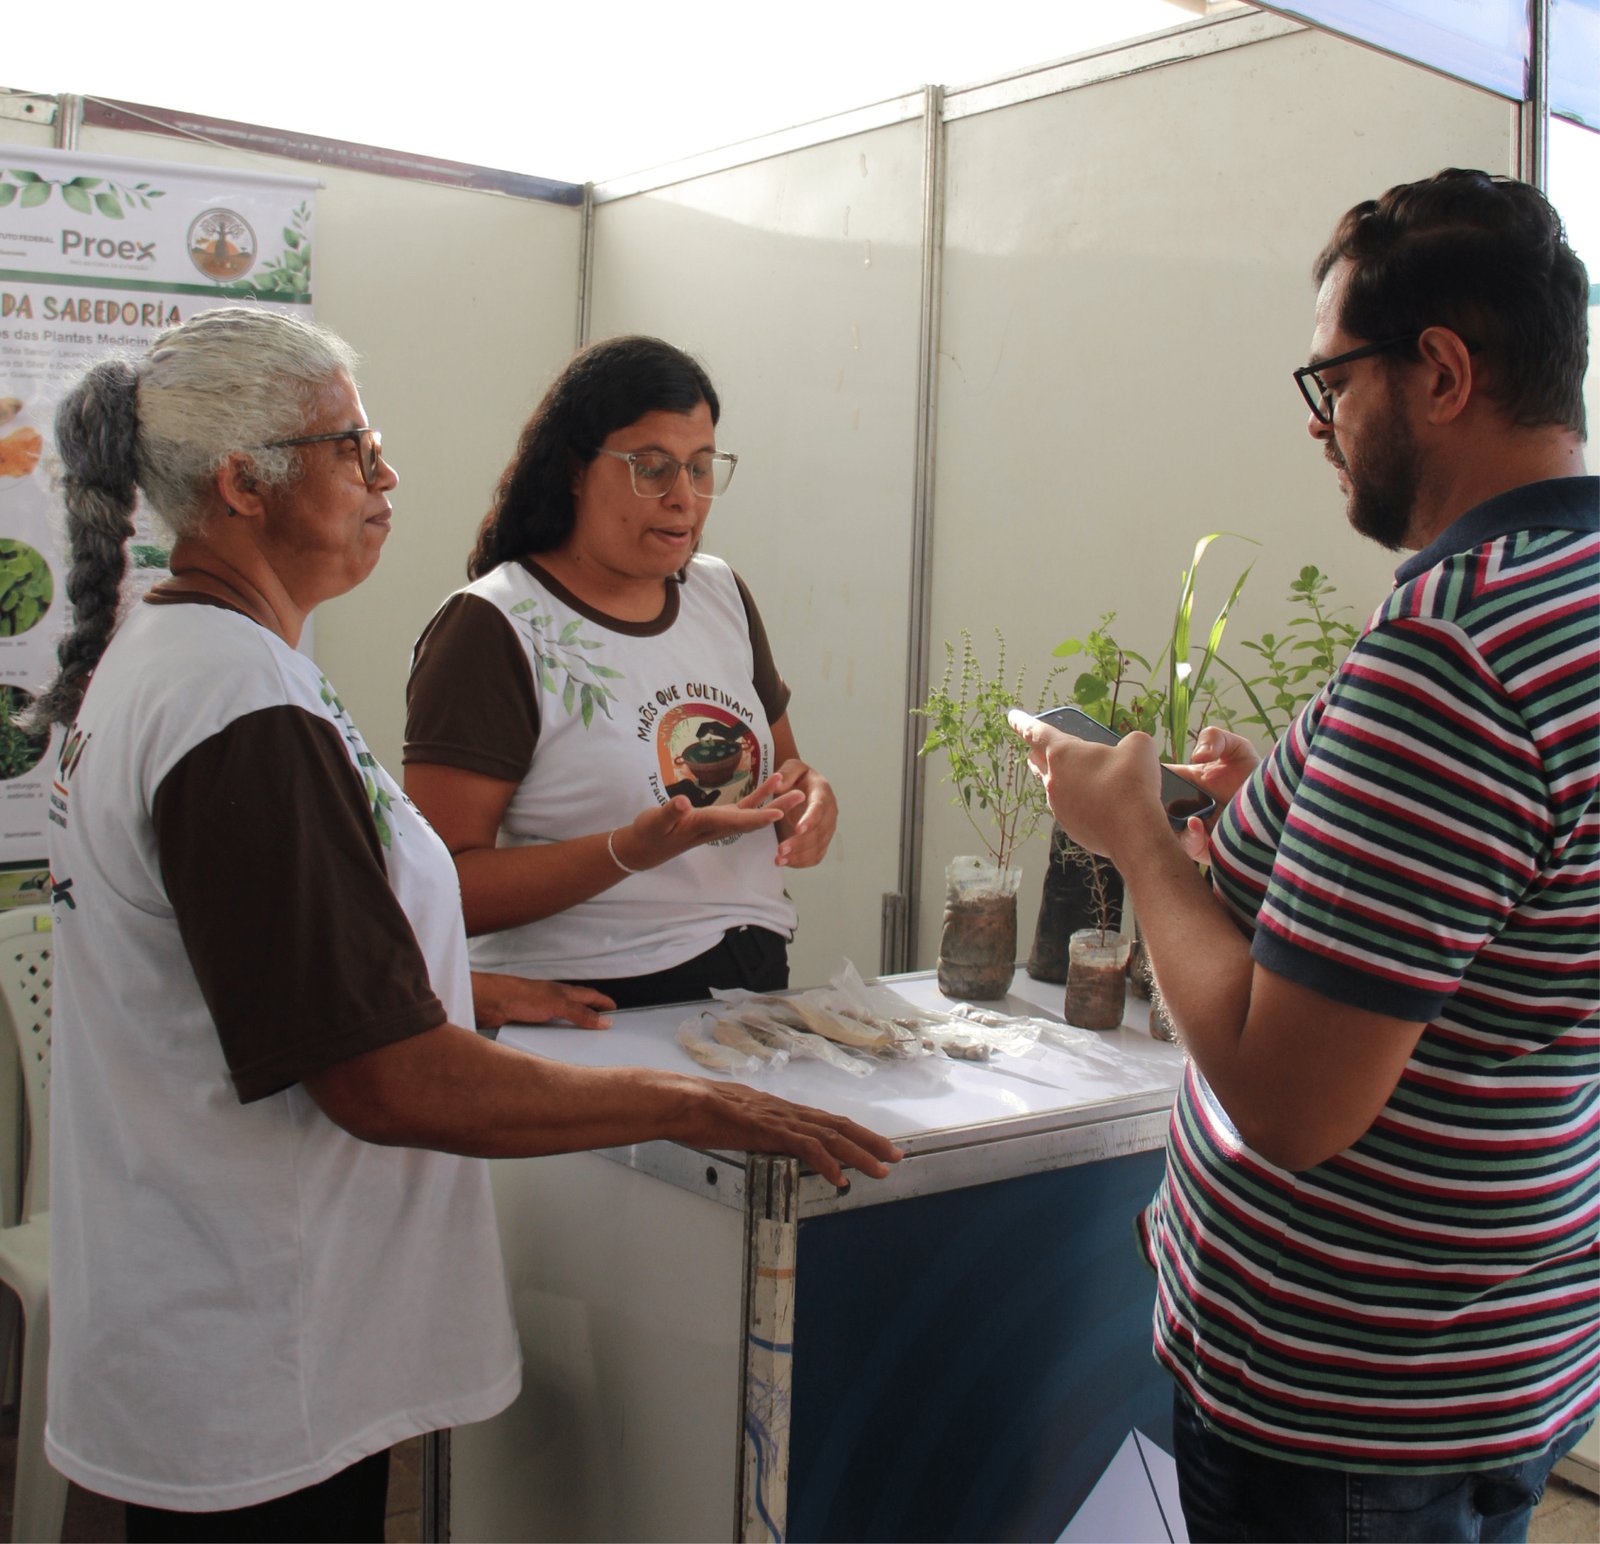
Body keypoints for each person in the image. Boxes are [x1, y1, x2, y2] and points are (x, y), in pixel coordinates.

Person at [39, 308, 898, 1542]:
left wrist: (457, 984)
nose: (388, 476)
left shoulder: (192, 664)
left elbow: (250, 956)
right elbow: (382, 1080)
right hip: (255, 1330)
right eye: (353, 448)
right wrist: (690, 1104)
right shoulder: (236, 702)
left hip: (209, 1306)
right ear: (241, 483)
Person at [1011, 169, 1597, 1542]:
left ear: (1439, 371)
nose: (1322, 429)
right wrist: (1282, 813)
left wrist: (1138, 835)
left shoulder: (1456, 654)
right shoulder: (1563, 601)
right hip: (1505, 1339)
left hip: (1348, 1407)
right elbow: (1499, 922)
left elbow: (1292, 1104)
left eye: (1330, 382)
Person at [403, 335, 836, 1009]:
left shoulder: (718, 593)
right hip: (593, 1004)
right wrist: (627, 851)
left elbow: (784, 777)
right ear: (574, 468)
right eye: (650, 467)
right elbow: (438, 886)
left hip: (750, 982)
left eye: (700, 468)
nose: (683, 498)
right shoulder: (497, 624)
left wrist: (807, 805)